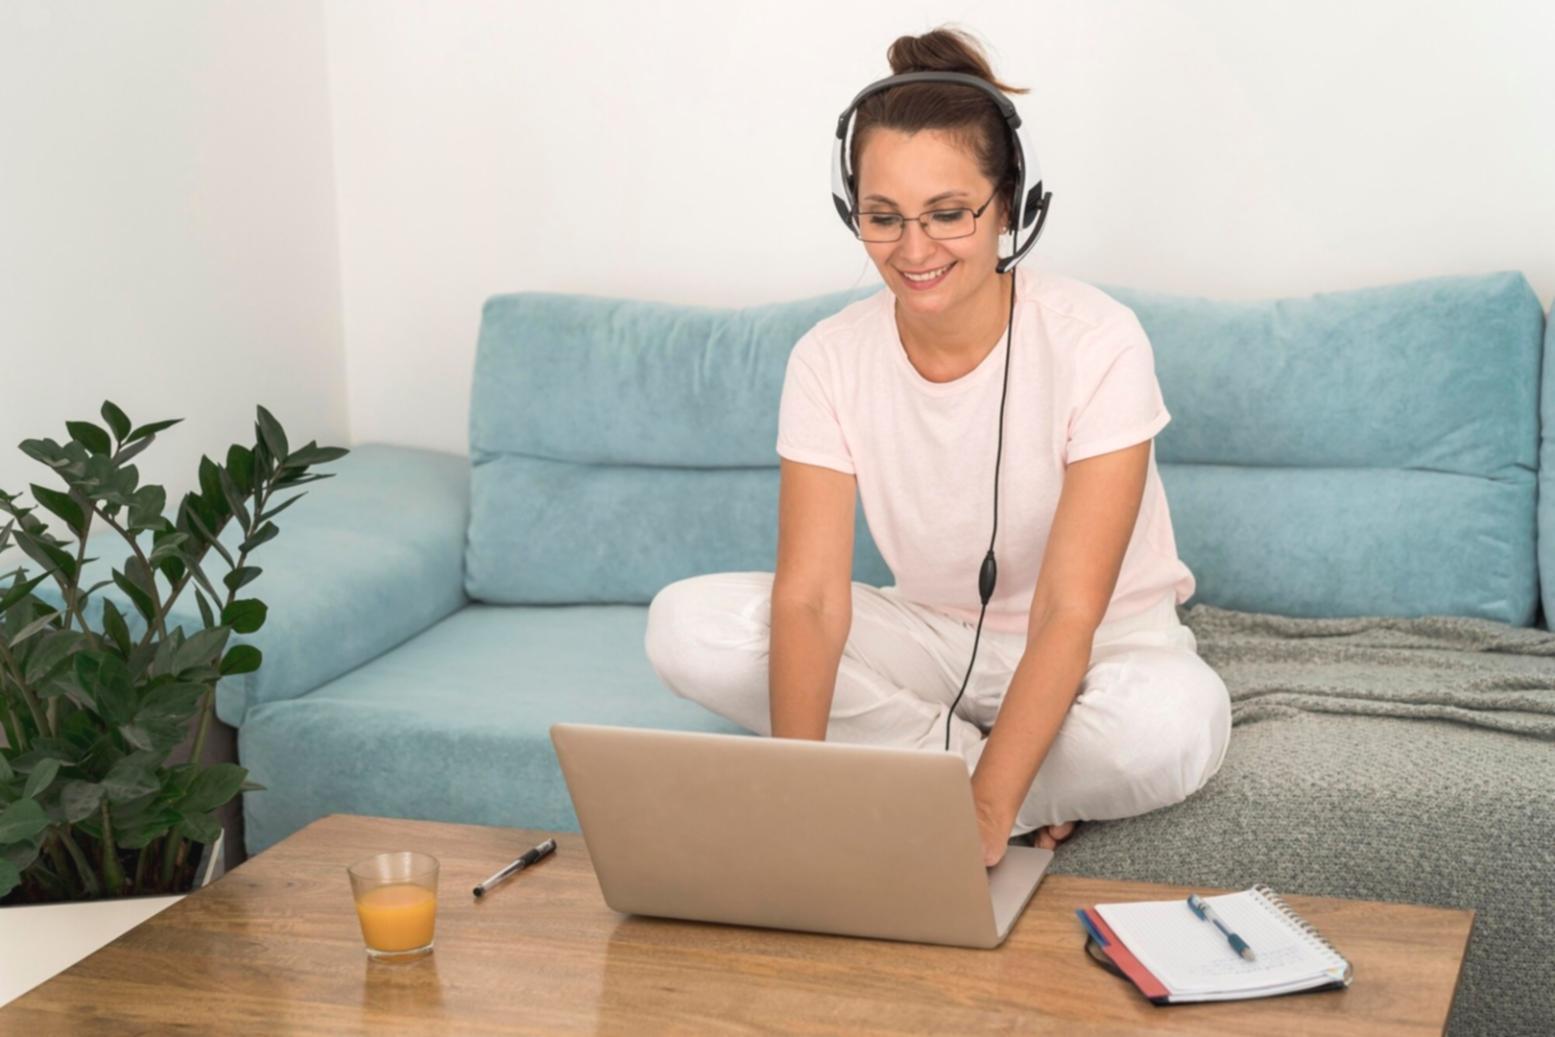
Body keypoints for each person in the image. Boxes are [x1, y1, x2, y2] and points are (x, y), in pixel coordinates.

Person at [645, 26, 1230, 868]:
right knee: (685, 626)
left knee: (1172, 726)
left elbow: (1070, 609)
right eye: (883, 218)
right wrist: (794, 792)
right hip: (933, 639)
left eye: (948, 214)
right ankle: (986, 776)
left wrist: (992, 812)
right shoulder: (826, 357)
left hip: (1103, 642)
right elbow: (808, 599)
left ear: (1012, 204)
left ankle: (964, 786)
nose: (913, 251)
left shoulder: (1098, 340)